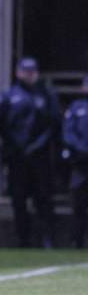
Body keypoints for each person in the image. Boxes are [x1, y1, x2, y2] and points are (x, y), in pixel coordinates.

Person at [0, 57, 60, 248]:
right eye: (26, 71)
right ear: (18, 72)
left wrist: (38, 145)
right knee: (19, 200)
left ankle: (47, 238)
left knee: (43, 199)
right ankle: (23, 239)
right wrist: (16, 147)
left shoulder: (46, 94)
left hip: (40, 157)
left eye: (32, 71)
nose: (29, 74)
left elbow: (53, 124)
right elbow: (2, 126)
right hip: (17, 157)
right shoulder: (9, 95)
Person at [62, 75, 88, 248]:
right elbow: (68, 133)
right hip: (81, 163)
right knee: (79, 204)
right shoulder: (76, 107)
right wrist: (83, 150)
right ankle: (76, 241)